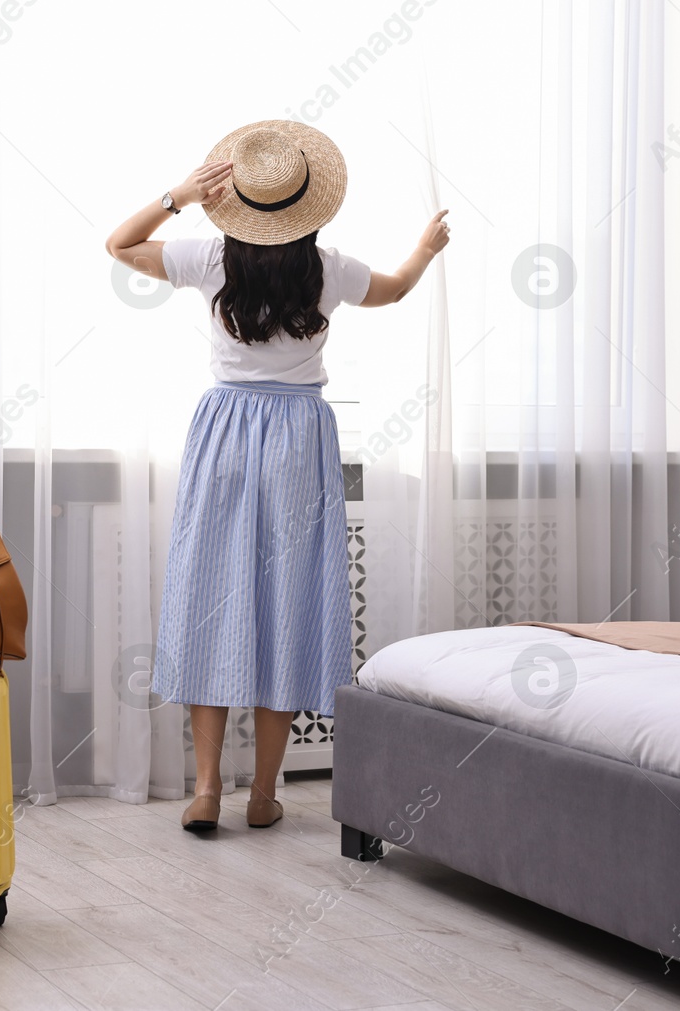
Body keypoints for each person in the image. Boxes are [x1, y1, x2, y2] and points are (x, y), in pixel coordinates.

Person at [104, 120, 450, 831]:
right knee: (286, 603)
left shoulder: (207, 258)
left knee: (212, 596)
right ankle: (263, 792)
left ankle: (205, 788)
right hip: (299, 436)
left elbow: (119, 244)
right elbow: (393, 291)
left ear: (238, 202)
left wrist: (179, 195)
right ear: (306, 204)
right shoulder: (329, 269)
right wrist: (424, 248)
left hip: (226, 432)